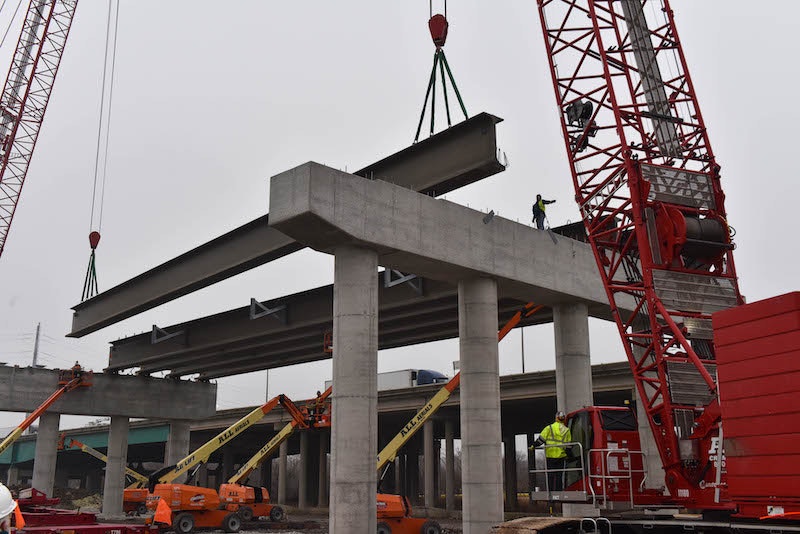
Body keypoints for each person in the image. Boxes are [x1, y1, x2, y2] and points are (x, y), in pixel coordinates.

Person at [531, 411, 572, 491]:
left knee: (550, 475)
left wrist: (533, 446)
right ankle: (558, 491)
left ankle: (550, 491)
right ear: (563, 419)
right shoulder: (566, 430)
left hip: (550, 455)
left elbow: (540, 440)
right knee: (559, 475)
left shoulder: (549, 428)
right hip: (561, 456)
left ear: (556, 418)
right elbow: (568, 446)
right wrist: (570, 456)